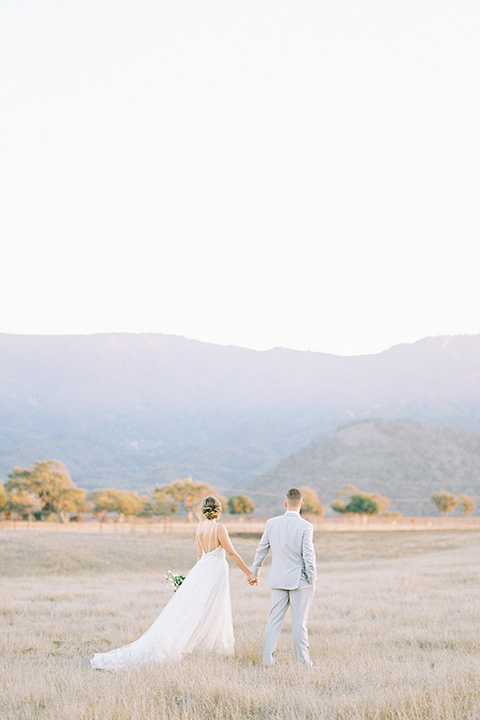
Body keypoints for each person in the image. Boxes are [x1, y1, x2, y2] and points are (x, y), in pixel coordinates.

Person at [91, 496, 256, 670]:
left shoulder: (199, 528)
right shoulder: (219, 528)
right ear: (218, 510)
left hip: (202, 571)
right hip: (216, 571)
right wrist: (248, 573)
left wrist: (195, 579)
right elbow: (232, 553)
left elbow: (200, 556)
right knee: (215, 607)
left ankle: (206, 648)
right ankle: (211, 647)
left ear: (203, 510)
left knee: (198, 609)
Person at [251, 487, 317, 666]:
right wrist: (312, 578)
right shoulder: (306, 526)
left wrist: (254, 571)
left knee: (274, 621)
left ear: (285, 503)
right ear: (301, 504)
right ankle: (303, 662)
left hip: (278, 579)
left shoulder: (271, 523)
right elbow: (308, 555)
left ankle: (267, 660)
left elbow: (262, 548)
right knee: (299, 623)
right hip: (300, 580)